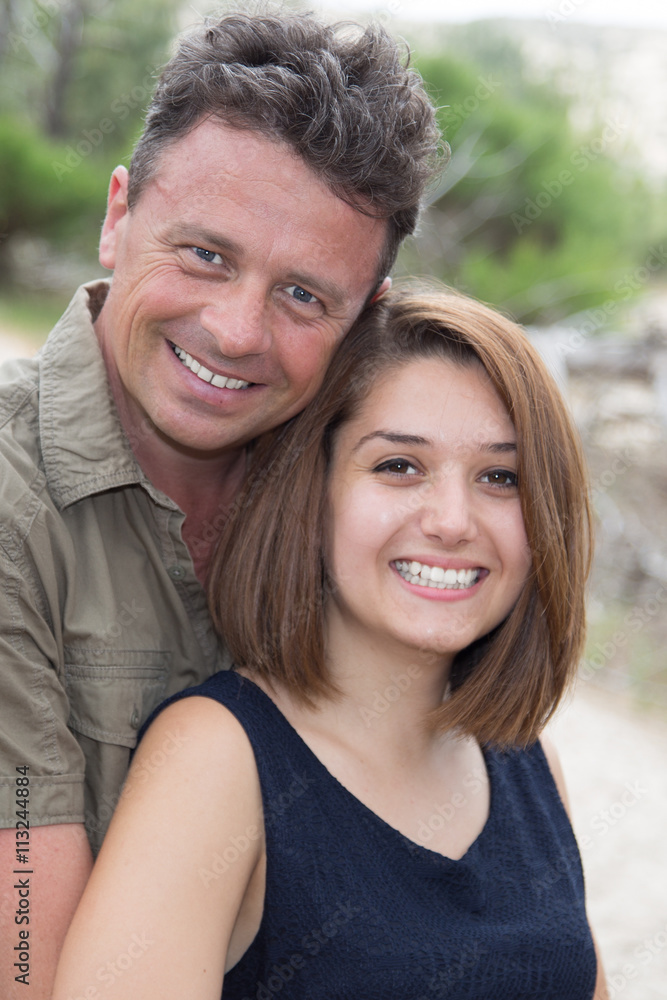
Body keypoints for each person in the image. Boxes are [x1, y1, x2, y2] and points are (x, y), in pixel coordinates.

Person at [0, 10, 441, 997]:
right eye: (203, 253)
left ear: (362, 318)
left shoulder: (373, 501)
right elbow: (28, 964)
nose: (236, 329)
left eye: (302, 296)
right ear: (119, 216)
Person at [52, 282, 608, 999]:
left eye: (500, 478)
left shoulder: (532, 766)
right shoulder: (218, 757)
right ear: (311, 493)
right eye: (397, 465)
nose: (450, 519)